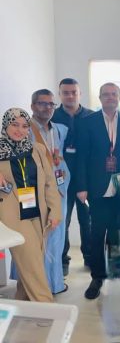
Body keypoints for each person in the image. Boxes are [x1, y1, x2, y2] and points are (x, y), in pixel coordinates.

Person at [76, 82, 120, 299]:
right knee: (97, 234)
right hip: (98, 187)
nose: (110, 97)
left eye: (114, 94)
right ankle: (97, 277)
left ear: (119, 97)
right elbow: (81, 157)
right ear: (100, 97)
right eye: (106, 94)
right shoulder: (88, 122)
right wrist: (82, 187)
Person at [0, 108, 61, 302]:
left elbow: (50, 182)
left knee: (33, 261)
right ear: (5, 125)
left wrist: (55, 211)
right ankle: (46, 308)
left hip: (37, 211)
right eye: (14, 125)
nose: (20, 130)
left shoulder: (37, 150)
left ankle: (23, 302)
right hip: (12, 214)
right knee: (32, 261)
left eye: (25, 126)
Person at [30, 89, 71, 295]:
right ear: (32, 106)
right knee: (38, 238)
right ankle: (36, 286)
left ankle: (54, 283)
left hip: (59, 189)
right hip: (35, 191)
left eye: (50, 104)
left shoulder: (60, 130)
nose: (47, 108)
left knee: (57, 237)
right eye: (42, 103)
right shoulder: (25, 129)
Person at [52, 78, 93, 276]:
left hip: (87, 179)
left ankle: (90, 257)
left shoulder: (92, 117)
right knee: (62, 222)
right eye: (66, 92)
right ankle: (62, 260)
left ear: (80, 94)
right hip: (60, 180)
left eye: (73, 92)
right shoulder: (52, 117)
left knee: (88, 222)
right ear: (60, 94)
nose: (70, 96)